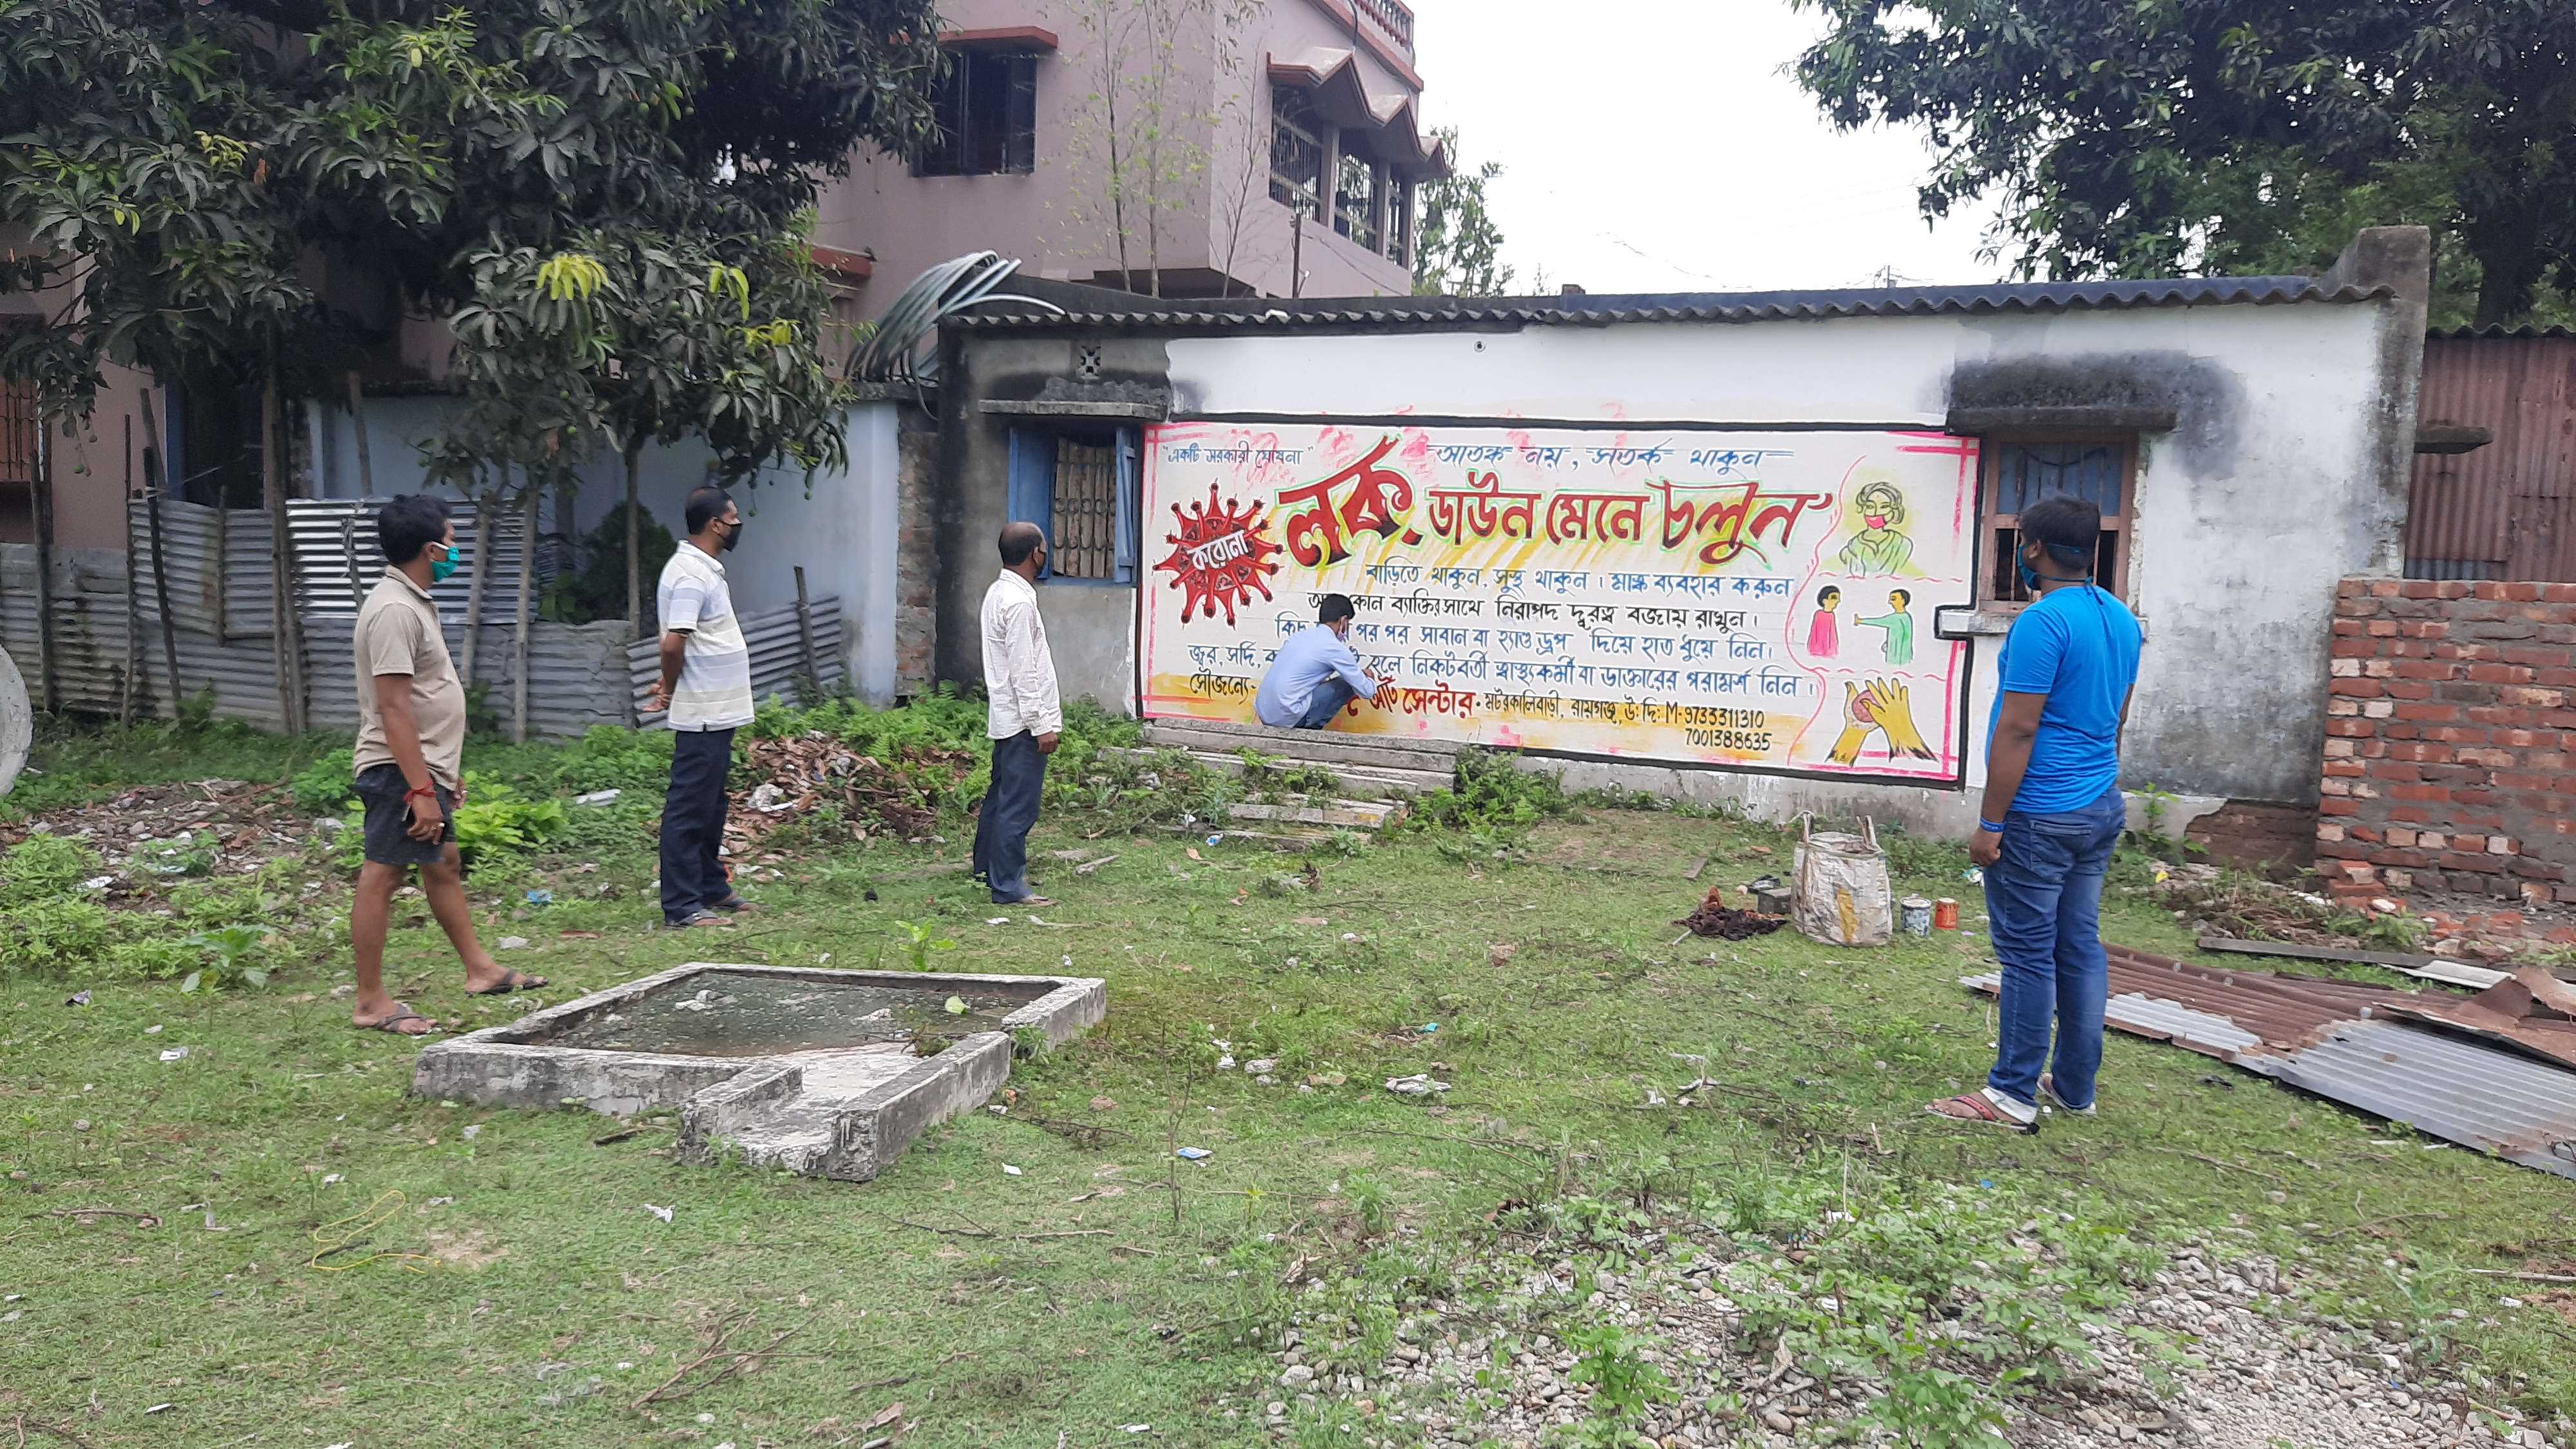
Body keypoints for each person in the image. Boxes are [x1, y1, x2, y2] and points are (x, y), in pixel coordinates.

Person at [1929, 495, 2141, 1130]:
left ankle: (2012, 1094)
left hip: (2039, 815)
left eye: (2022, 541)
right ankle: (2074, 1087)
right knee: (2078, 946)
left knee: (2026, 954)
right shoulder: (2120, 619)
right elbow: (2118, 720)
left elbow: (2018, 730)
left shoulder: (2042, 624)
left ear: (2033, 550)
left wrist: (1990, 825)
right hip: (2098, 805)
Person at [347, 493, 541, 1034]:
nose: (456, 550)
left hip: (423, 768)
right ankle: (370, 1002)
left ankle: (481, 970)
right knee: (383, 876)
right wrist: (418, 791)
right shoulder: (393, 610)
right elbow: (393, 706)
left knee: (444, 863)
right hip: (396, 770)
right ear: (431, 549)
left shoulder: (413, 602)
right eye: (452, 542)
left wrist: (443, 777)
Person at [649, 487, 757, 929]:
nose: (737, 526)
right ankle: (682, 906)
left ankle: (712, 887)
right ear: (715, 524)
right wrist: (669, 688)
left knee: (712, 803)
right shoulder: (691, 574)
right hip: (703, 710)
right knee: (689, 807)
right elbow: (674, 641)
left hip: (718, 709)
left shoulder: (703, 570)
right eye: (733, 519)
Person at [974, 522, 1061, 908]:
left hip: (1007, 719)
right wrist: (1042, 725)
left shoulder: (998, 593)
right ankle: (1007, 885)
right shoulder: (1020, 603)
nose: (1046, 555)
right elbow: (1024, 671)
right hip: (1024, 722)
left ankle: (986, 870)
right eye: (1044, 548)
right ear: (1034, 554)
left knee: (999, 799)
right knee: (1018, 806)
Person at [1254, 594, 1380, 729]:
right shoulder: (1334, 648)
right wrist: (1368, 678)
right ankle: (1312, 732)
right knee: (1346, 684)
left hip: (1264, 713)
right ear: (1343, 620)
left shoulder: (1298, 638)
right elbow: (1367, 692)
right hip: (1287, 717)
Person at [1857, 588, 1915, 665]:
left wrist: (1860, 621)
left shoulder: (1896, 618)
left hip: (1896, 658)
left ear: (1903, 601)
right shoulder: (1907, 617)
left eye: (1893, 599)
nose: (1890, 602)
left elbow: (1879, 621)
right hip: (1905, 656)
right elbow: (1900, 633)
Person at [1806, 585, 1841, 658]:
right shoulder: (1819, 614)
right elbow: (1815, 634)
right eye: (1834, 598)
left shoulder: (1831, 615)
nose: (1838, 601)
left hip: (1829, 652)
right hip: (1817, 651)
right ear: (1824, 601)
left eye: (1838, 598)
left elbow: (1833, 635)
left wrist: (1834, 650)